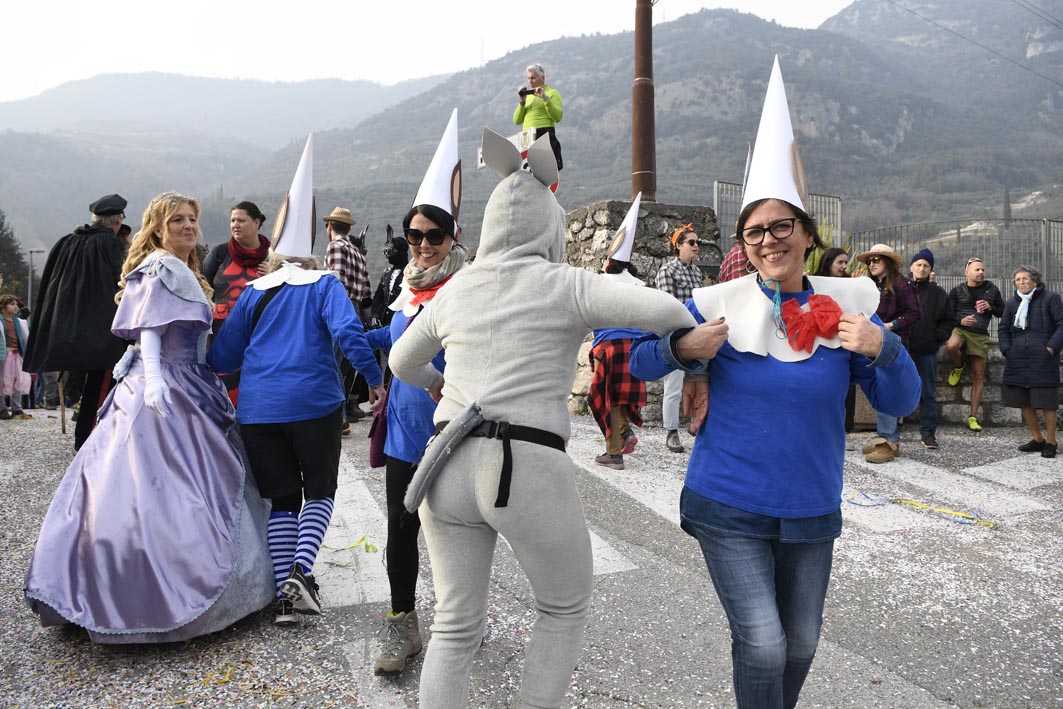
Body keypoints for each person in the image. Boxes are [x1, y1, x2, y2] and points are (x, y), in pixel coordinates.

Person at [629, 57, 920, 709]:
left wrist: (885, 346)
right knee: (761, 642)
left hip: (811, 509)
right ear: (743, 242)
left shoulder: (848, 310)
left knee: (801, 644)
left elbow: (900, 402)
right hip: (727, 503)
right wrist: (680, 345)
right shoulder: (720, 302)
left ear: (806, 234)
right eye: (754, 230)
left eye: (780, 226)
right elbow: (637, 362)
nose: (767, 240)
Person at [387, 128, 697, 707]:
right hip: (524, 462)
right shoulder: (565, 283)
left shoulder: (457, 289)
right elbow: (667, 311)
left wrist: (441, 389)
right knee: (560, 606)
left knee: (454, 624)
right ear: (547, 226)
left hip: (445, 460)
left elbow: (403, 361)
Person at [23, 192, 275, 643]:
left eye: (192, 219)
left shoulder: (183, 269)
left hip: (183, 379)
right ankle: (134, 594)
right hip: (164, 386)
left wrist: (130, 357)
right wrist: (152, 375)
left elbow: (147, 330)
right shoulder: (160, 266)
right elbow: (151, 329)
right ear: (158, 227)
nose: (187, 226)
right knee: (147, 484)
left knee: (177, 483)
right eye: (177, 219)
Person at [207, 134, 386, 626]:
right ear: (308, 253)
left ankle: (286, 595)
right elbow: (350, 333)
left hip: (259, 411)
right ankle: (301, 574)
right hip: (314, 404)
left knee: (283, 498)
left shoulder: (253, 292)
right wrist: (373, 380)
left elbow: (223, 356)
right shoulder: (325, 284)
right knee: (321, 492)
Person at [363, 110, 468, 676]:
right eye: (414, 236)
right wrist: (352, 332)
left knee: (454, 535)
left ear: (453, 237)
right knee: (399, 533)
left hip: (451, 431)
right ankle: (404, 622)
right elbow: (397, 335)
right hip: (405, 432)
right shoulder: (407, 285)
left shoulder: (468, 285)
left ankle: (457, 626)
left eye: (433, 236)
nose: (422, 245)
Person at [23, 193, 130, 450]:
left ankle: (85, 442)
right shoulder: (115, 247)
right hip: (105, 336)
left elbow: (50, 287)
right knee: (102, 389)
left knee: (87, 390)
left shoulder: (65, 243)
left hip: (67, 332)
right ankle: (90, 445)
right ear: (117, 221)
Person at [588, 194, 646, 470]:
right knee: (620, 396)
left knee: (600, 397)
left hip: (610, 347)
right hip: (634, 348)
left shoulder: (599, 283)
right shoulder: (640, 284)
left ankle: (614, 453)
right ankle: (625, 433)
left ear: (609, 260)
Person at [855, 244, 921, 463]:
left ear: (888, 262)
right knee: (879, 390)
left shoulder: (903, 285)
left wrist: (889, 326)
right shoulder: (871, 286)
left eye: (876, 259)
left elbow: (914, 314)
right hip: (872, 345)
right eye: (869, 261)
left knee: (889, 390)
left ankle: (889, 441)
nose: (871, 264)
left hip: (893, 347)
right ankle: (885, 437)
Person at [200, 200, 271, 401]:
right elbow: (203, 291)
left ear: (257, 223)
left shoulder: (271, 257)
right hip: (221, 338)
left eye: (241, 220)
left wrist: (275, 274)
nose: (235, 225)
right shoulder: (219, 253)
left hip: (260, 337)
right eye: (232, 220)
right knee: (222, 394)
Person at [999, 266, 1063, 458]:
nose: (1021, 282)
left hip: (1043, 358)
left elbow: (1061, 324)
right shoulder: (1011, 303)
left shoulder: (1051, 299)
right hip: (1017, 359)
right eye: (1017, 280)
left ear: (1035, 280)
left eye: (1025, 279)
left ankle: (1051, 440)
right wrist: (1007, 349)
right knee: (1024, 400)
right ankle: (1037, 439)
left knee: (1047, 402)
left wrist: (1051, 347)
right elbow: (1003, 329)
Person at [323, 207, 372, 433]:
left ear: (330, 226)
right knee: (342, 367)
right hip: (355, 309)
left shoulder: (335, 247)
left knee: (329, 363)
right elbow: (366, 288)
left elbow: (335, 282)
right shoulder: (357, 253)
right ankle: (339, 416)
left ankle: (338, 418)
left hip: (339, 308)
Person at [655, 223, 703, 453]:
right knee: (674, 385)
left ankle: (696, 426)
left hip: (697, 332)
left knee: (698, 380)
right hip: (676, 334)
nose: (696, 246)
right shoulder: (667, 271)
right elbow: (668, 306)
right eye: (691, 242)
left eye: (698, 242)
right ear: (678, 246)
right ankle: (671, 431)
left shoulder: (697, 272)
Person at [946, 257, 1005, 431]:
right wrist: (961, 320)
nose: (981, 272)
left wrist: (990, 308)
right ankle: (958, 366)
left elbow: (1002, 311)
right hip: (960, 329)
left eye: (982, 269)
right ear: (967, 273)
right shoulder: (956, 291)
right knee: (951, 346)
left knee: (978, 375)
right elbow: (947, 315)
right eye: (977, 269)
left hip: (980, 335)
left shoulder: (992, 289)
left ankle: (973, 416)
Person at [907, 248, 955, 450]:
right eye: (918, 264)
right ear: (911, 267)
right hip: (902, 349)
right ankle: (890, 434)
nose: (922, 268)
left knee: (928, 393)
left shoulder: (939, 293)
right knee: (894, 388)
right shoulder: (901, 288)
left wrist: (936, 337)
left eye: (926, 265)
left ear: (931, 269)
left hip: (927, 351)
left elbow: (948, 321)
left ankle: (928, 433)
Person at [514, 63, 564, 170]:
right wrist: (522, 102)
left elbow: (558, 117)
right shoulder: (527, 97)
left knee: (544, 171)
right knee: (528, 173)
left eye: (533, 78)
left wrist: (546, 99)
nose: (530, 81)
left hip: (543, 134)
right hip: (527, 138)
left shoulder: (552, 93)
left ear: (542, 78)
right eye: (528, 78)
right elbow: (517, 120)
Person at [1, 295, 31, 419]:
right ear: (3, 307)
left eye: (16, 304)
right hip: (3, 355)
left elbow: (25, 339)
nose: (15, 307)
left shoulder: (20, 322)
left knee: (18, 380)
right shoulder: (1, 321)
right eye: (12, 304)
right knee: (2, 381)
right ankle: (2, 408)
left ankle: (17, 408)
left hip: (17, 354)